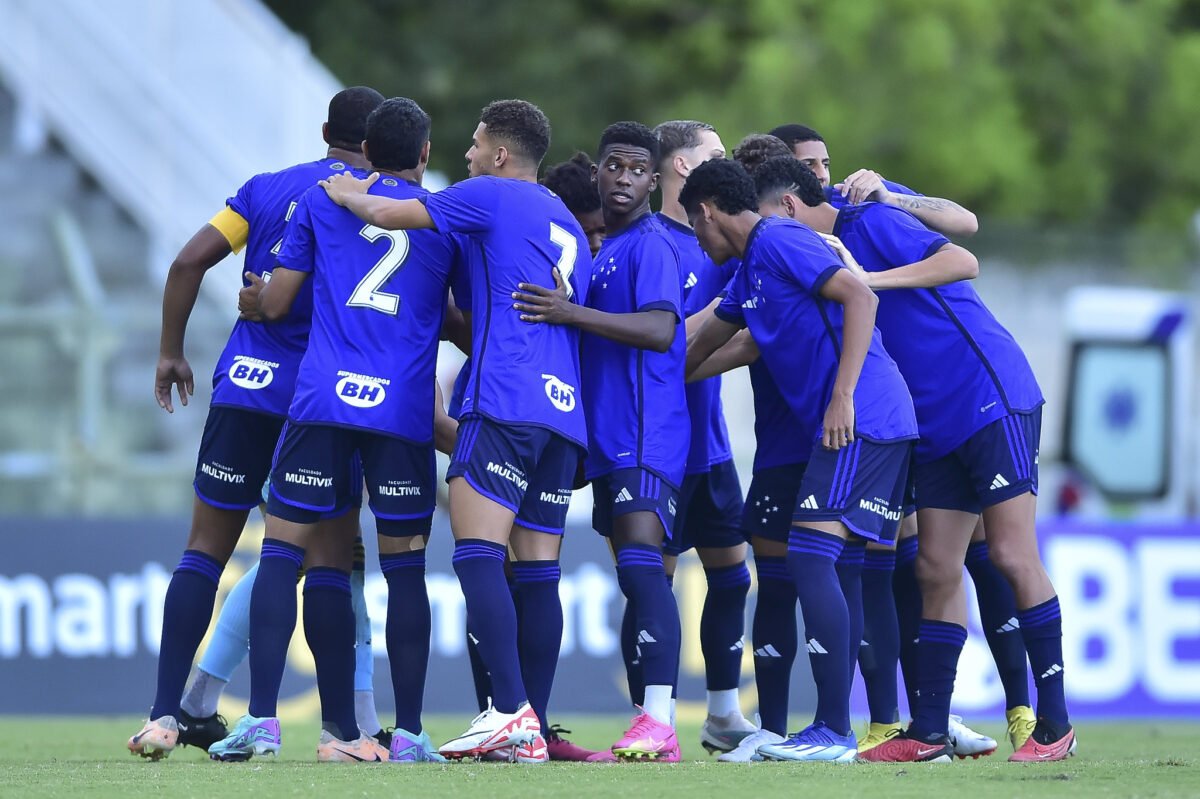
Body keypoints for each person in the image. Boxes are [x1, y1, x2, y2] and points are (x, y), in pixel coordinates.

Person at [751, 156, 1073, 763]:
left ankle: (1053, 723)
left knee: (1008, 553)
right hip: (932, 423)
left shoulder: (866, 219)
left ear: (788, 207)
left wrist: (872, 279)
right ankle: (927, 732)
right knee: (933, 567)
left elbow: (962, 257)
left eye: (767, 222)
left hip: (986, 394)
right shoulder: (806, 257)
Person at [321, 99, 589, 763]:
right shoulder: (564, 221)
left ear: (500, 154)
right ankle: (533, 727)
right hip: (562, 411)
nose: (464, 157)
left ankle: (509, 711)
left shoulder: (490, 194)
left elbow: (389, 213)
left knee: (476, 552)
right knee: (539, 570)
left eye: (473, 145)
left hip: (504, 399)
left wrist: (344, 188)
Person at [206, 97, 469, 764]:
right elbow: (459, 317)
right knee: (405, 572)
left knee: (282, 556)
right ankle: (405, 731)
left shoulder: (325, 199)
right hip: (401, 414)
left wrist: (254, 298)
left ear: (355, 146)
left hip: (322, 401)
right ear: (425, 154)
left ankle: (262, 719)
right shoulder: (445, 217)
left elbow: (278, 301)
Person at [126, 86, 385, 761]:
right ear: (379, 140)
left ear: (326, 129)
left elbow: (188, 261)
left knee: (204, 552)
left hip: (243, 386)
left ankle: (164, 715)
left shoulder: (265, 190)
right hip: (320, 400)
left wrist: (170, 351)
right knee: (326, 558)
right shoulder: (377, 203)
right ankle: (341, 732)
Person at [683, 158, 918, 763]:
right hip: (862, 424)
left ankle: (835, 730)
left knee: (812, 555)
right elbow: (700, 347)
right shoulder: (747, 274)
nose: (697, 238)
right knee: (835, 565)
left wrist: (841, 397)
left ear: (706, 212)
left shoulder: (781, 237)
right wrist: (644, 380)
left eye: (694, 225)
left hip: (863, 416)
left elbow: (860, 296)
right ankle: (836, 727)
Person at [512, 121, 688, 761]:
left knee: (643, 562)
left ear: (655, 178)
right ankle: (647, 722)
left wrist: (569, 312)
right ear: (598, 172)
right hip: (606, 439)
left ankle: (662, 721)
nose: (624, 178)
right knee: (630, 573)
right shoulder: (602, 250)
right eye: (615, 165)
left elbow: (660, 330)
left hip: (647, 431)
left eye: (639, 169)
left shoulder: (652, 247)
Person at [652, 120, 756, 754]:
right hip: (655, 451)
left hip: (711, 447)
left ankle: (722, 715)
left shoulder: (724, 243)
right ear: (685, 168)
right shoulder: (644, 243)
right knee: (650, 582)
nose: (730, 161)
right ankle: (654, 716)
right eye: (716, 154)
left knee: (733, 578)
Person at [768, 123, 979, 238]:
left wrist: (891, 199)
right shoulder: (761, 226)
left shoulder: (861, 193)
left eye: (826, 164)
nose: (823, 174)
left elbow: (967, 223)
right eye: (808, 165)